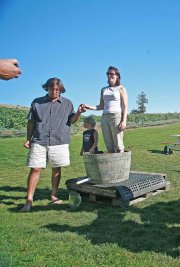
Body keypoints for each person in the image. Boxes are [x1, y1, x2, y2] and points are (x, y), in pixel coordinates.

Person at [21, 78, 84, 211]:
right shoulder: (37, 102)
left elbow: (71, 120)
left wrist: (78, 112)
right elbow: (31, 122)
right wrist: (28, 138)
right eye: (52, 89)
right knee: (35, 168)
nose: (55, 91)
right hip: (39, 140)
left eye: (57, 89)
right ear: (47, 88)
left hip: (59, 141)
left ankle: (54, 195)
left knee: (56, 168)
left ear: (61, 89)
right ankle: (29, 200)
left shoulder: (67, 103)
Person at [83, 66, 128, 153]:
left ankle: (120, 166)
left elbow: (125, 106)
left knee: (118, 145)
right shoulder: (103, 89)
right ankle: (112, 166)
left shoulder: (121, 88)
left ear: (117, 76)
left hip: (116, 117)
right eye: (108, 74)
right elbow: (101, 106)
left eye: (112, 73)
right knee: (109, 145)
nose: (109, 75)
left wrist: (124, 121)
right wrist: (89, 107)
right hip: (104, 117)